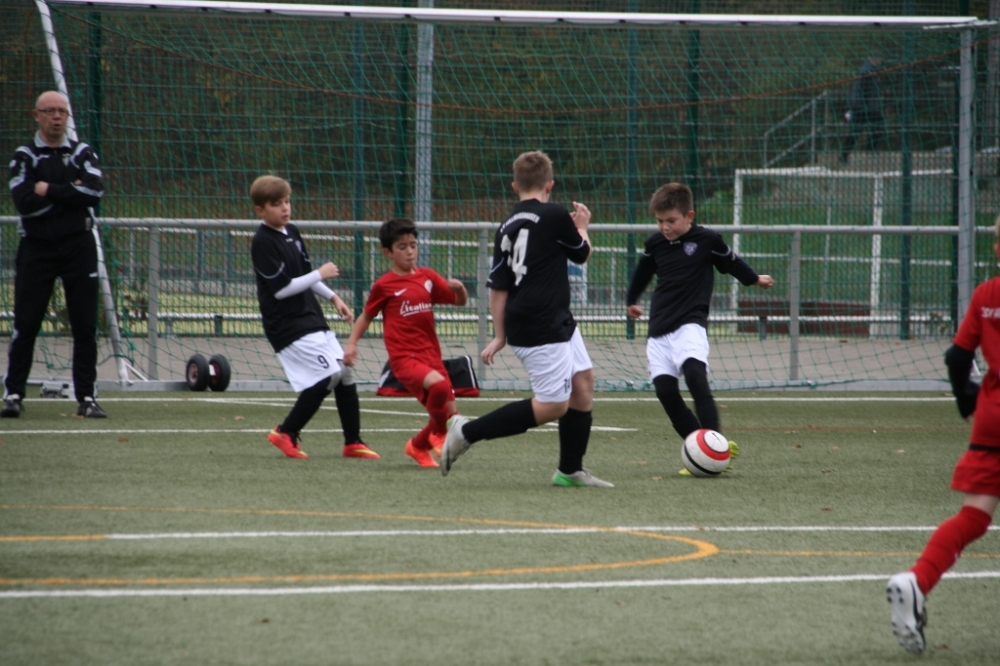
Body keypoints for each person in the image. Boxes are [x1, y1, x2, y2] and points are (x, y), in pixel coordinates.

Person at [439, 150, 612, 488]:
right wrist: (582, 227)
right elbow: (582, 254)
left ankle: (570, 470)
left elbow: (498, 286)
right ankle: (466, 431)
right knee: (553, 406)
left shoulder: (507, 224)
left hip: (551, 319)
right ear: (550, 184)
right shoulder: (555, 214)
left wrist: (499, 334)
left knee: (582, 385)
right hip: (540, 322)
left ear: (514, 186)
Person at [886, 214, 1000, 654]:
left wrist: (968, 401)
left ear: (996, 249)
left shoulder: (987, 294)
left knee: (974, 516)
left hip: (991, 418)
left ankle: (917, 581)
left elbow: (957, 358)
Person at [625, 183, 774, 476]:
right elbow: (642, 272)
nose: (665, 227)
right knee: (665, 392)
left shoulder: (707, 240)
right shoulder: (655, 244)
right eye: (659, 221)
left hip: (690, 323)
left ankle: (716, 445)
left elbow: (730, 262)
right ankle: (702, 450)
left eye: (671, 220)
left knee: (695, 376)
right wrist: (631, 300)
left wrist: (754, 278)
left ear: (689, 216)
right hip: (659, 328)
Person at [249, 175, 380, 461]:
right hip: (285, 323)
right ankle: (286, 432)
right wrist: (320, 273)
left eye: (287, 201)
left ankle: (352, 442)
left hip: (310, 316)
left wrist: (334, 298)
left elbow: (305, 277)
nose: (285, 208)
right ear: (260, 210)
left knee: (344, 372)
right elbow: (282, 289)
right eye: (276, 204)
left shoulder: (292, 232)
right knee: (329, 375)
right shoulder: (263, 242)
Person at [3, 91, 107, 419]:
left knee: (85, 325)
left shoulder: (82, 152)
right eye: (50, 111)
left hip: (79, 247)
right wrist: (70, 194)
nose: (57, 117)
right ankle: (13, 394)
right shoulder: (24, 156)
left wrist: (47, 188)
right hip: (37, 248)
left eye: (62, 111)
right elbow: (24, 203)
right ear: (37, 115)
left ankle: (87, 397)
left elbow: (94, 192)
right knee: (26, 323)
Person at [343, 218, 468, 468]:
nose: (410, 251)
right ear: (388, 252)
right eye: (402, 247)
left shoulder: (427, 277)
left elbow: (459, 301)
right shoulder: (384, 285)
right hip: (404, 358)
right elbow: (366, 316)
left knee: (450, 413)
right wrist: (352, 344)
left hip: (431, 355)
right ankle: (437, 435)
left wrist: (461, 290)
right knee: (440, 388)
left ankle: (418, 446)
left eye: (413, 245)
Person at [840, 51, 886, 164]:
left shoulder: (871, 70)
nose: (880, 61)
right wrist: (857, 105)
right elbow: (859, 89)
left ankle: (848, 153)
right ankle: (866, 150)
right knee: (863, 130)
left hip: (867, 106)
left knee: (861, 131)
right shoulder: (867, 71)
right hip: (865, 107)